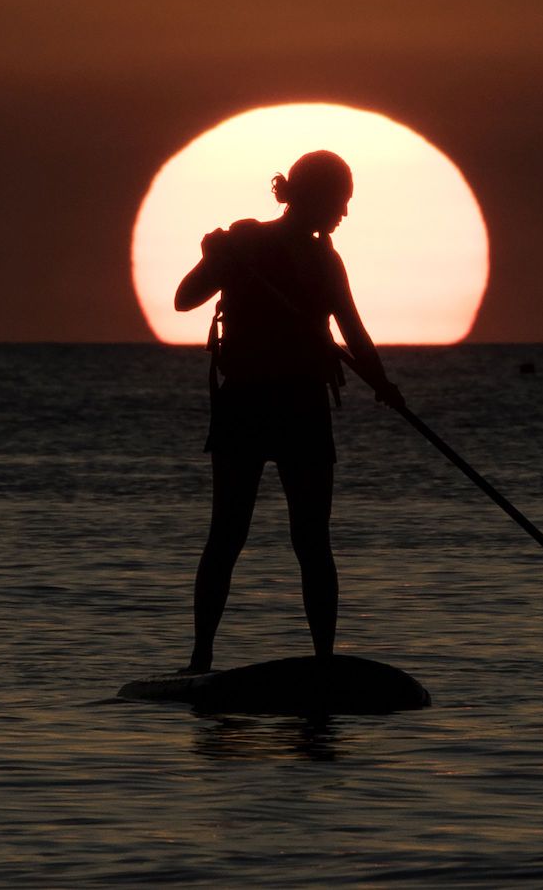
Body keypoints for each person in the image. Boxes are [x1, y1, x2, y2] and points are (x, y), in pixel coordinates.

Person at [172, 149, 404, 674]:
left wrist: (383, 384)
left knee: (313, 539)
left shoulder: (327, 261)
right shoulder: (246, 243)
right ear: (312, 197)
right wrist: (216, 260)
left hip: (303, 405)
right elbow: (185, 300)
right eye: (340, 202)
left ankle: (324, 659)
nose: (344, 213)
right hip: (247, 403)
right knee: (228, 533)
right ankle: (200, 659)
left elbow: (354, 332)